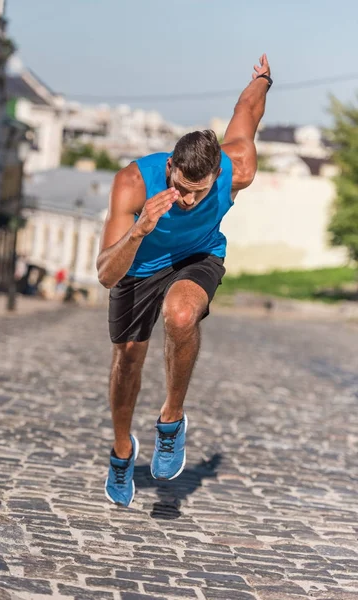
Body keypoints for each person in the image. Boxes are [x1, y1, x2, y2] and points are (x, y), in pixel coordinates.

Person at [97, 54, 272, 507]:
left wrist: (263, 80)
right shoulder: (134, 182)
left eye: (201, 190)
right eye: (182, 186)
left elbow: (247, 112)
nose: (190, 199)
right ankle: (121, 452)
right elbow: (104, 274)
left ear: (217, 175)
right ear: (171, 165)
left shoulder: (239, 169)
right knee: (128, 359)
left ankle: (171, 421)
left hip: (198, 256)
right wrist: (138, 230)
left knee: (181, 315)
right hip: (137, 264)